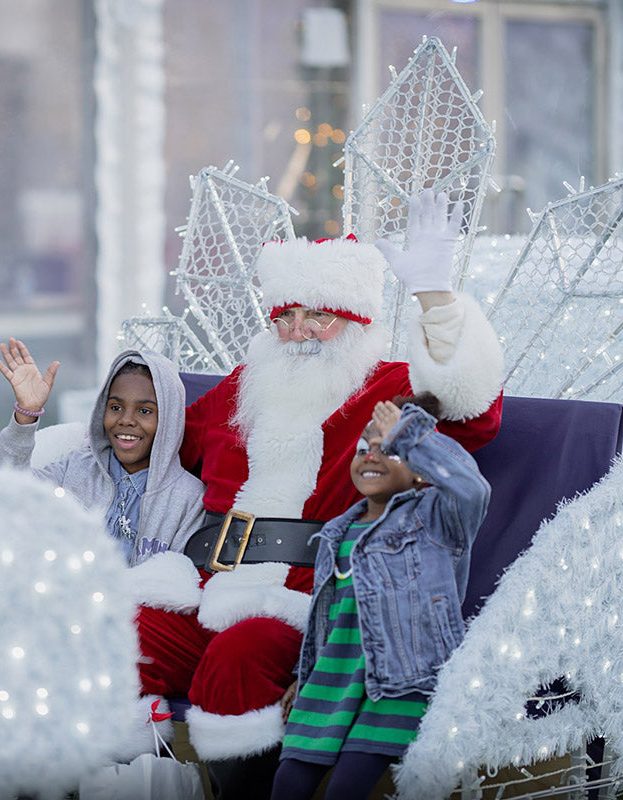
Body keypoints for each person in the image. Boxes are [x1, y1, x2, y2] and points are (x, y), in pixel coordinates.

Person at [133, 190, 505, 798]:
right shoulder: (242, 388)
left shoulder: (383, 386)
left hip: (303, 604)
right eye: (284, 316)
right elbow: (157, 440)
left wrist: (435, 296)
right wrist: (33, 425)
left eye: (318, 316)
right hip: (204, 585)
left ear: (356, 321)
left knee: (241, 654)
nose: (297, 332)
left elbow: (475, 414)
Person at [270, 395, 490, 800]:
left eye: (388, 449)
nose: (372, 456)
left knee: (345, 790)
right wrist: (306, 674)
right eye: (364, 449)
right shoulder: (336, 532)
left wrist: (409, 436)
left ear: (421, 472)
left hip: (401, 682)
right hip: (331, 677)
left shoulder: (436, 520)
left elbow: (472, 487)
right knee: (287, 785)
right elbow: (329, 616)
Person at [0, 339, 206, 567]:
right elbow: (8, 490)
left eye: (145, 411)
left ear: (168, 420)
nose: (126, 420)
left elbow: (179, 585)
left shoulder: (189, 498)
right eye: (115, 407)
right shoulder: (75, 466)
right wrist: (28, 413)